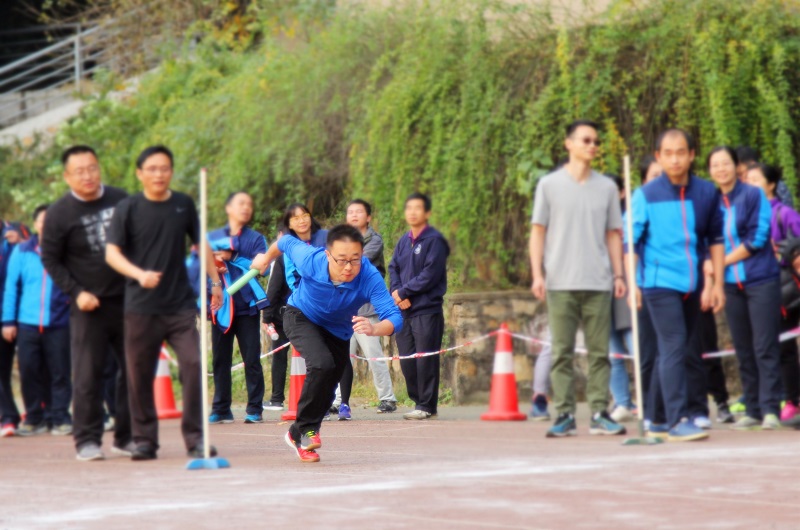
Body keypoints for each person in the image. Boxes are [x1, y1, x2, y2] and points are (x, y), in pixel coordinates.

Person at [105, 145, 223, 461]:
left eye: (164, 168)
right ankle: (144, 440)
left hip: (179, 305)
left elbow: (201, 243)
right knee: (139, 374)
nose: (159, 174)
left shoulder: (183, 204)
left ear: (171, 171)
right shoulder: (128, 208)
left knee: (193, 365)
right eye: (152, 169)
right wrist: (139, 274)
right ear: (140, 173)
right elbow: (112, 253)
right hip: (140, 307)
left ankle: (196, 439)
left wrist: (215, 282)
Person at [250, 225, 403, 462]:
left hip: (338, 331)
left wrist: (375, 329)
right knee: (322, 364)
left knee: (329, 384)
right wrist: (266, 258)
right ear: (328, 254)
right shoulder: (311, 260)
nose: (348, 267)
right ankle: (307, 431)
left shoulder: (369, 276)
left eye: (355, 259)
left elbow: (394, 317)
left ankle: (296, 433)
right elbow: (285, 242)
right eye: (341, 260)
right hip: (301, 315)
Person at [530, 120, 627, 438]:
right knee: (562, 351)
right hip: (560, 282)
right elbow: (538, 231)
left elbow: (613, 234)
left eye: (596, 141)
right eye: (586, 140)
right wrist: (537, 274)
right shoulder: (549, 185)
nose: (592, 146)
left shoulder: (607, 187)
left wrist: (618, 274)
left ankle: (599, 412)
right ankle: (565, 414)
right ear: (569, 143)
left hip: (599, 282)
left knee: (600, 353)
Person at [628, 129, 725, 442]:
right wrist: (632, 283)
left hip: (692, 282)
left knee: (673, 348)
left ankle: (657, 418)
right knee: (673, 344)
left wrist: (717, 284)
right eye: (667, 153)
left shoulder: (706, 192)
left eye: (681, 152)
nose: (674, 159)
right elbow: (631, 242)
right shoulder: (646, 194)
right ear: (658, 157)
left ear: (692, 155)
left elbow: (716, 240)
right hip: (658, 281)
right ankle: (677, 419)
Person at [40, 145, 133, 461]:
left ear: (99, 168)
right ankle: (87, 440)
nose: (87, 175)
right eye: (79, 171)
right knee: (87, 375)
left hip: (128, 300)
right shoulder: (59, 213)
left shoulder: (121, 199)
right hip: (88, 305)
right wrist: (76, 291)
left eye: (92, 168)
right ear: (67, 176)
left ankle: (126, 437)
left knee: (134, 369)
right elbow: (50, 259)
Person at [708, 146, 782, 430]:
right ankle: (752, 409)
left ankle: (771, 408)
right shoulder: (710, 201)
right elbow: (706, 239)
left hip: (761, 280)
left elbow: (758, 237)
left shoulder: (753, 195)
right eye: (715, 165)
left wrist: (722, 261)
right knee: (743, 348)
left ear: (737, 166)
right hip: (730, 284)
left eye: (726, 163)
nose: (721, 169)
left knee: (765, 346)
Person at [2, 205, 72, 436]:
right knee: (29, 371)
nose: (48, 224)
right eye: (43, 220)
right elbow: (11, 287)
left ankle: (60, 417)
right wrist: (8, 321)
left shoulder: (68, 251)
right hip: (27, 322)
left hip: (59, 321)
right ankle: (34, 418)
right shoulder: (22, 251)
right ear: (35, 225)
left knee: (60, 372)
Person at [207, 191, 268, 424]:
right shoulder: (212, 238)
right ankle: (221, 408)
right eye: (241, 203)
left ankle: (255, 408)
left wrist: (233, 258)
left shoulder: (255, 239)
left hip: (246, 308)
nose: (246, 208)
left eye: (249, 204)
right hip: (220, 306)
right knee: (220, 360)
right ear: (228, 208)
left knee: (251, 359)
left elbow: (263, 269)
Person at [746, 162, 800, 422]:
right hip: (757, 287)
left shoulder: (785, 214)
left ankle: (792, 400)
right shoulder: (745, 214)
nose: (750, 185)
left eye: (755, 180)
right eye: (747, 180)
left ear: (770, 185)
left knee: (785, 346)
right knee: (771, 346)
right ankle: (780, 398)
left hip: (786, 288)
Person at [389, 192, 450, 421]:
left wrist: (404, 292)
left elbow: (430, 274)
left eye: (418, 208)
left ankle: (427, 405)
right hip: (403, 310)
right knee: (407, 360)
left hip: (426, 310)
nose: (412, 212)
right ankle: (418, 401)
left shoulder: (435, 241)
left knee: (425, 359)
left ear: (427, 213)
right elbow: (393, 267)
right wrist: (397, 293)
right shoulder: (403, 241)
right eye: (409, 208)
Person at [335, 199, 398, 415]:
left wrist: (340, 263)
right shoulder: (342, 242)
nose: (354, 215)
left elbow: (358, 263)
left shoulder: (374, 240)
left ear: (368, 217)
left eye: (359, 212)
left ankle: (387, 398)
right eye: (350, 212)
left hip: (367, 310)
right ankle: (338, 401)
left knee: (374, 355)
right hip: (346, 310)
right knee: (341, 357)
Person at [0, 218, 28, 437]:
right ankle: (9, 417)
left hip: (20, 314)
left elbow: (36, 248)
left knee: (33, 366)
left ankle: (42, 413)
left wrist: (19, 241)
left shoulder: (16, 230)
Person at [262, 224, 292, 412]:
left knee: (279, 356)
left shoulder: (280, 258)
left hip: (282, 315)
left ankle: (276, 399)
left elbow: (273, 289)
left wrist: (266, 316)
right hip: (307, 312)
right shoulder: (308, 255)